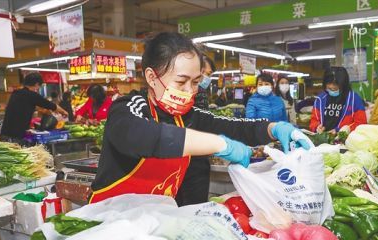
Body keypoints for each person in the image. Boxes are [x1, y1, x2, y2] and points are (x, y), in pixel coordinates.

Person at [89, 32, 311, 204]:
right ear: (151, 77)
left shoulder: (187, 115)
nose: (189, 91)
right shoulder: (128, 108)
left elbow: (233, 126)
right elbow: (141, 136)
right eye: (181, 81)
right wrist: (217, 143)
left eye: (195, 82)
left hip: (152, 228)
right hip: (109, 225)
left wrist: (274, 128)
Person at [176, 55, 216, 206]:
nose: (206, 77)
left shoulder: (201, 92)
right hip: (191, 155)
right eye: (203, 72)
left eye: (209, 74)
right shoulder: (189, 93)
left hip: (196, 153)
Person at [0, 73, 67, 143]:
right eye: (39, 87)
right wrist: (64, 112)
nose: (38, 89)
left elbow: (22, 108)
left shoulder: (16, 93)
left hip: (4, 134)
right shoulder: (32, 95)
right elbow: (50, 105)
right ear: (36, 84)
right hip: (15, 137)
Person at [310, 67, 366, 133]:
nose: (331, 87)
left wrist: (342, 130)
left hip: (345, 140)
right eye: (328, 85)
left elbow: (361, 124)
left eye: (335, 85)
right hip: (324, 140)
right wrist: (317, 127)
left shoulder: (354, 99)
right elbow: (314, 121)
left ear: (343, 84)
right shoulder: (320, 100)